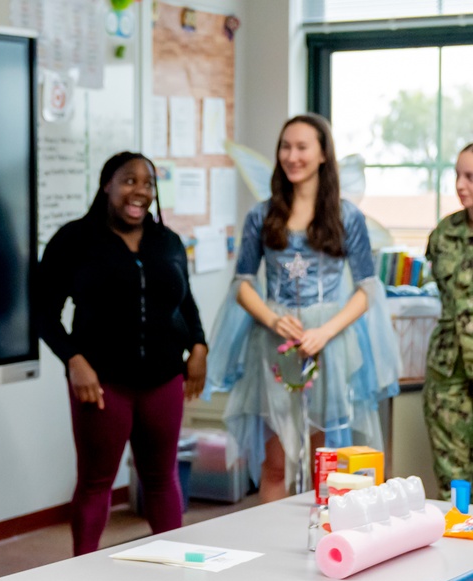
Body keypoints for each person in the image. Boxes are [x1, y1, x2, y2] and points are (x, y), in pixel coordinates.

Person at [203, 113, 400, 502]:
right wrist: (273, 319)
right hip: (274, 344)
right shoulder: (261, 215)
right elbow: (242, 284)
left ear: (323, 154)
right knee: (275, 462)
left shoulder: (347, 216)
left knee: (328, 464)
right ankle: (273, 549)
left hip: (330, 343)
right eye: (285, 147)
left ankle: (326, 548)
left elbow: (366, 289)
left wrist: (325, 331)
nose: (292, 156)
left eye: (302, 147)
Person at [37, 151, 208, 556]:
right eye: (129, 180)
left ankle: (176, 568)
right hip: (102, 383)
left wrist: (199, 345)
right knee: (97, 482)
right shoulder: (74, 240)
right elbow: (43, 313)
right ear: (106, 185)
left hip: (164, 379)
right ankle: (82, 573)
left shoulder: (167, 241)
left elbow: (185, 302)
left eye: (148, 183)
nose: (140, 191)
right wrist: (74, 362)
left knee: (161, 477)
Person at [423, 143, 473, 581]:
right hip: (449, 375)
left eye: (471, 177)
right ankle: (459, 578)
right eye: (457, 175)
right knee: (455, 483)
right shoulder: (444, 235)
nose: (460, 185)